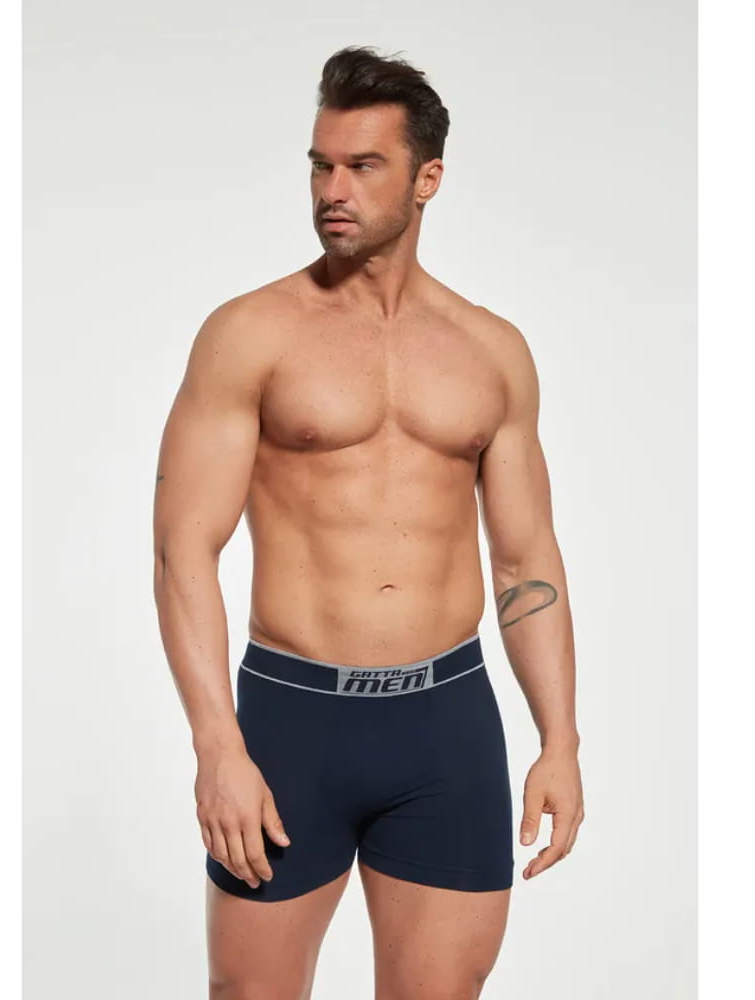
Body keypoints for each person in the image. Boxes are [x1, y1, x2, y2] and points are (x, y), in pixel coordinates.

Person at [153, 44, 584, 1000]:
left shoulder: (491, 352)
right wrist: (217, 744)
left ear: (427, 179)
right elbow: (184, 549)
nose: (332, 190)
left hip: (446, 727)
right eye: (320, 165)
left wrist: (560, 740)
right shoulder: (249, 335)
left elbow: (524, 559)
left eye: (362, 166)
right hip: (292, 721)